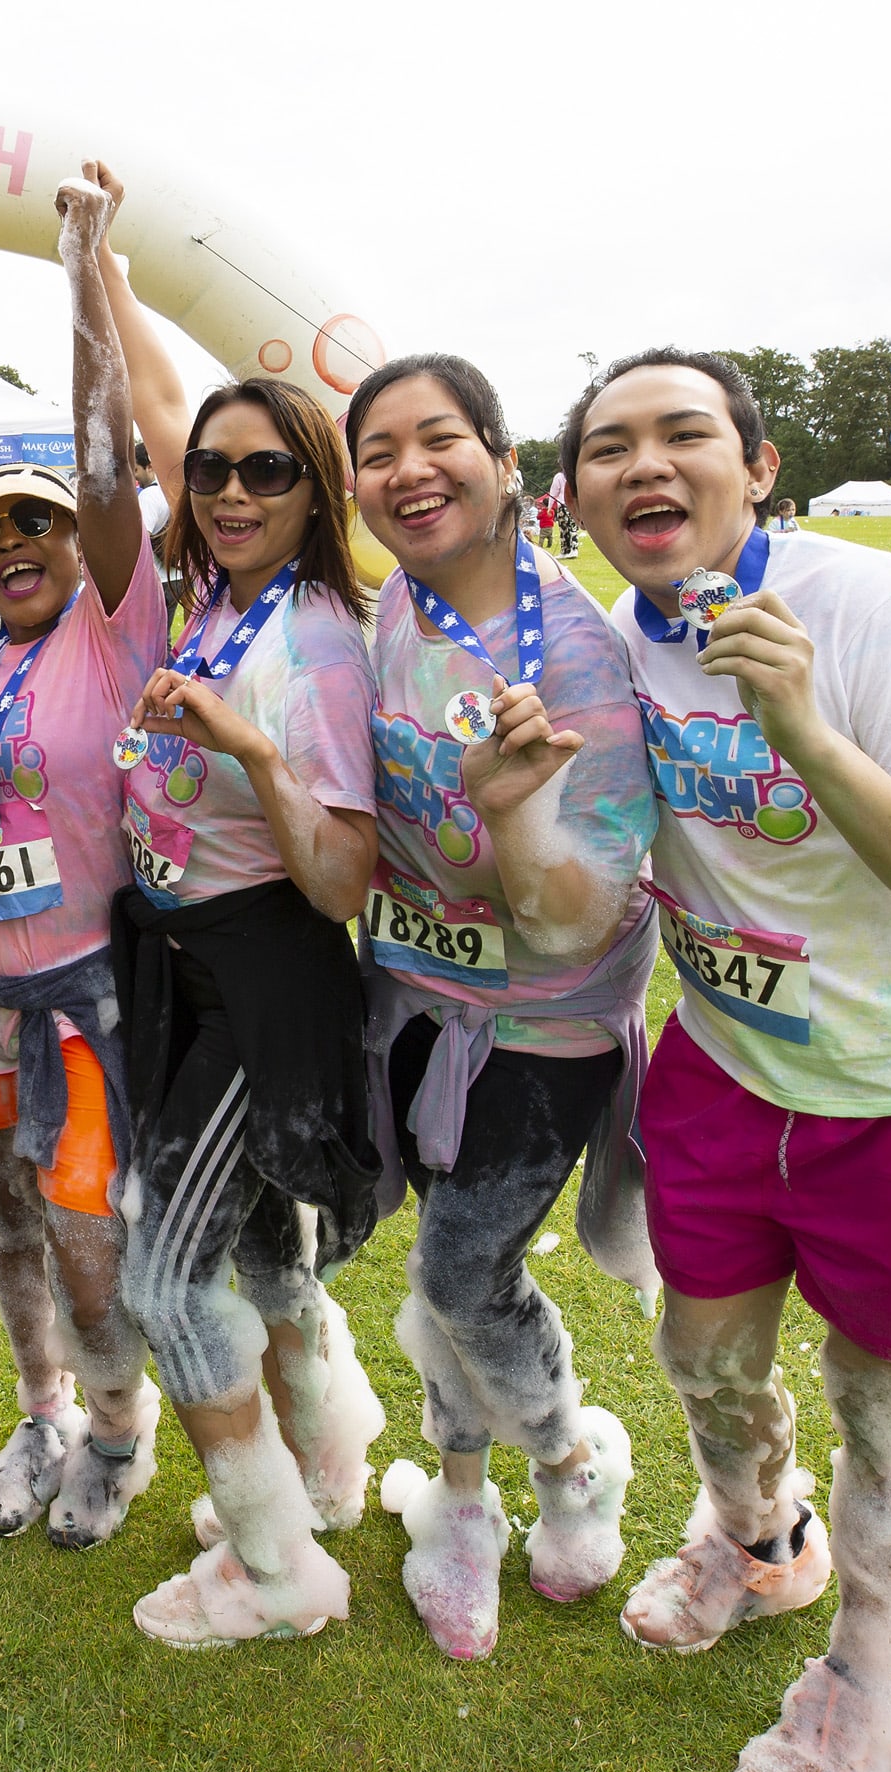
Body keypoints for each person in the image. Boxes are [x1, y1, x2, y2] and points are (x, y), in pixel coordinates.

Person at [563, 347, 891, 1772]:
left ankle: (874, 1665)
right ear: (575, 495)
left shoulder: (872, 603)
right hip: (720, 1062)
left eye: (681, 433)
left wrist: (807, 734)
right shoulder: (609, 641)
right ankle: (759, 1541)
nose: (643, 464)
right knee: (702, 1351)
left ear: (756, 467)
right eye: (607, 445)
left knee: (885, 1397)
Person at [87, 164, 387, 1651]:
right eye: (212, 471)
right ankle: (325, 1464)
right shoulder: (215, 595)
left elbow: (339, 879)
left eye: (267, 471)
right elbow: (156, 409)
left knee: (164, 1268)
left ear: (315, 487)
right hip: (183, 963)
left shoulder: (316, 644)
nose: (226, 489)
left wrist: (253, 753)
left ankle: (275, 1568)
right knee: (264, 1255)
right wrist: (105, 267)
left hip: (261, 971)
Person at [345, 352, 659, 1662]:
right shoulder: (391, 614)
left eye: (439, 440)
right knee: (443, 1263)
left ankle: (570, 1458)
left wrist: (509, 807)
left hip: (541, 1026)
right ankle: (458, 1505)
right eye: (377, 451)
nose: (407, 471)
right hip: (412, 1005)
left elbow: (579, 911)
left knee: (459, 1271)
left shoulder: (575, 654)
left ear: (504, 460)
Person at [0, 179, 169, 1552]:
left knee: (89, 1230)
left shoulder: (110, 625)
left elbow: (101, 452)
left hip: (82, 997)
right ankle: (35, 1410)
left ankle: (116, 1429)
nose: (13, 545)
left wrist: (84, 271)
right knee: (13, 1218)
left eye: (32, 524)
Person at [548, 469, 581, 558]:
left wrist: (549, 507)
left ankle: (568, 550)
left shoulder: (559, 476)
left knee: (564, 529)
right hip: (573, 505)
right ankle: (570, 550)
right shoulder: (574, 476)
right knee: (572, 527)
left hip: (563, 506)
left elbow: (553, 492)